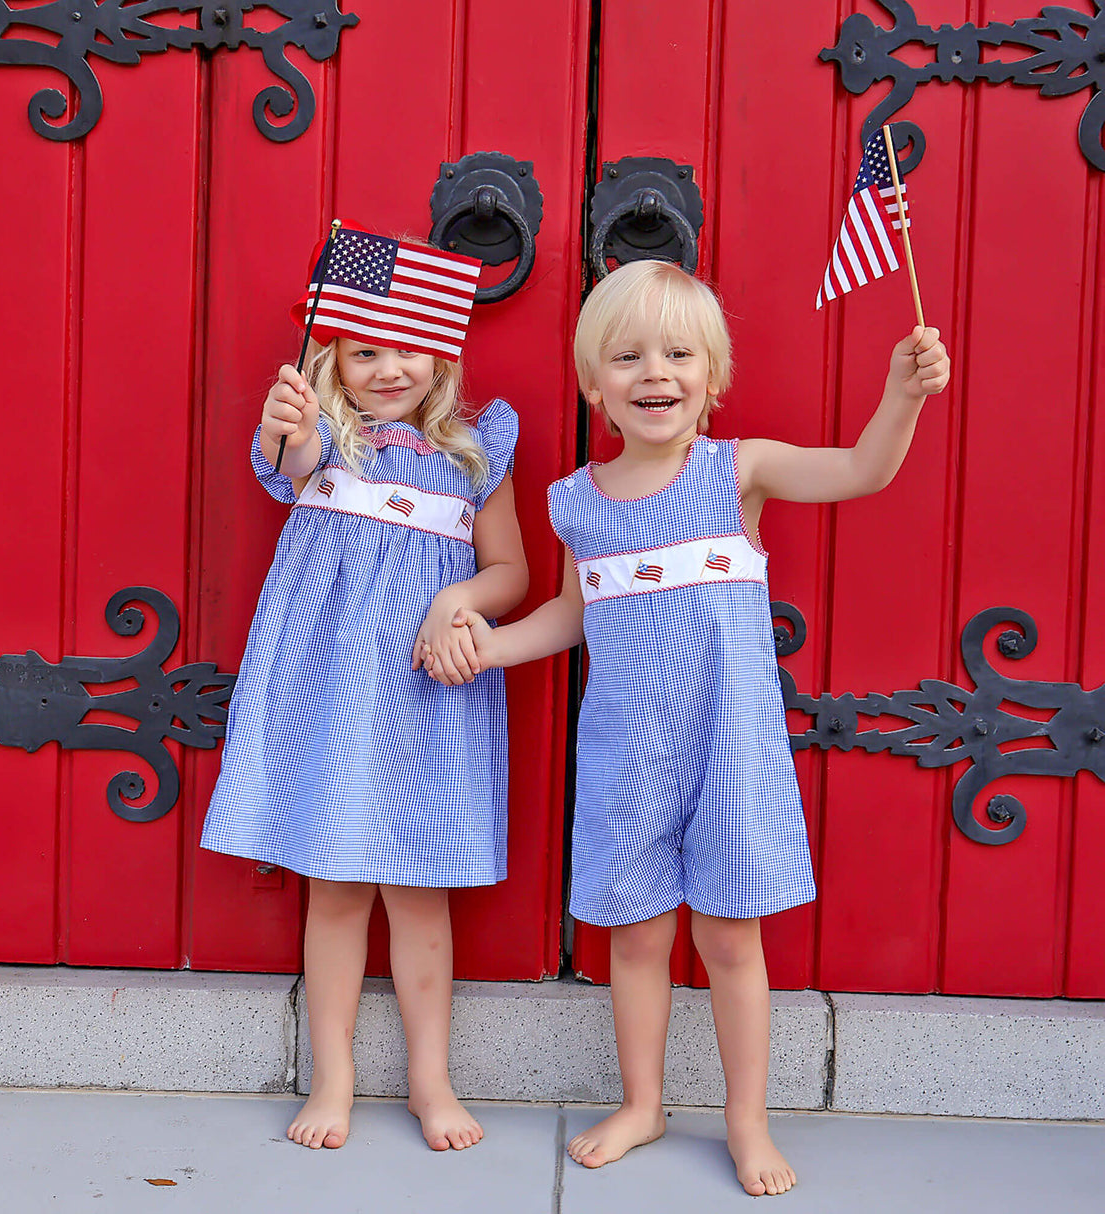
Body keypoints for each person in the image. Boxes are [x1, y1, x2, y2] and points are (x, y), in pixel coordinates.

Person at [445, 258, 950, 1195]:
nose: (655, 374)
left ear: (711, 377)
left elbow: (862, 471)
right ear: (595, 383)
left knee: (728, 940)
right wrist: (491, 644)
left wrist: (900, 395)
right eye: (628, 356)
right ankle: (643, 1103)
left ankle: (746, 1121)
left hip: (727, 750)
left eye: (678, 354)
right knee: (634, 938)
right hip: (627, 754)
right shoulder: (575, 503)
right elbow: (570, 615)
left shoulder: (738, 472)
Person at [201, 228, 527, 1153]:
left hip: (430, 691)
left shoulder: (474, 449)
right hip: (336, 689)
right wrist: (296, 427)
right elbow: (295, 465)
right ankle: (333, 1075)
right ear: (332, 352)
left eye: (408, 347)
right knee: (337, 887)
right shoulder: (324, 444)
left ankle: (431, 1080)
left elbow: (510, 569)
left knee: (420, 893)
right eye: (364, 348)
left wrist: (459, 600)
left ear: (442, 352)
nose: (389, 367)